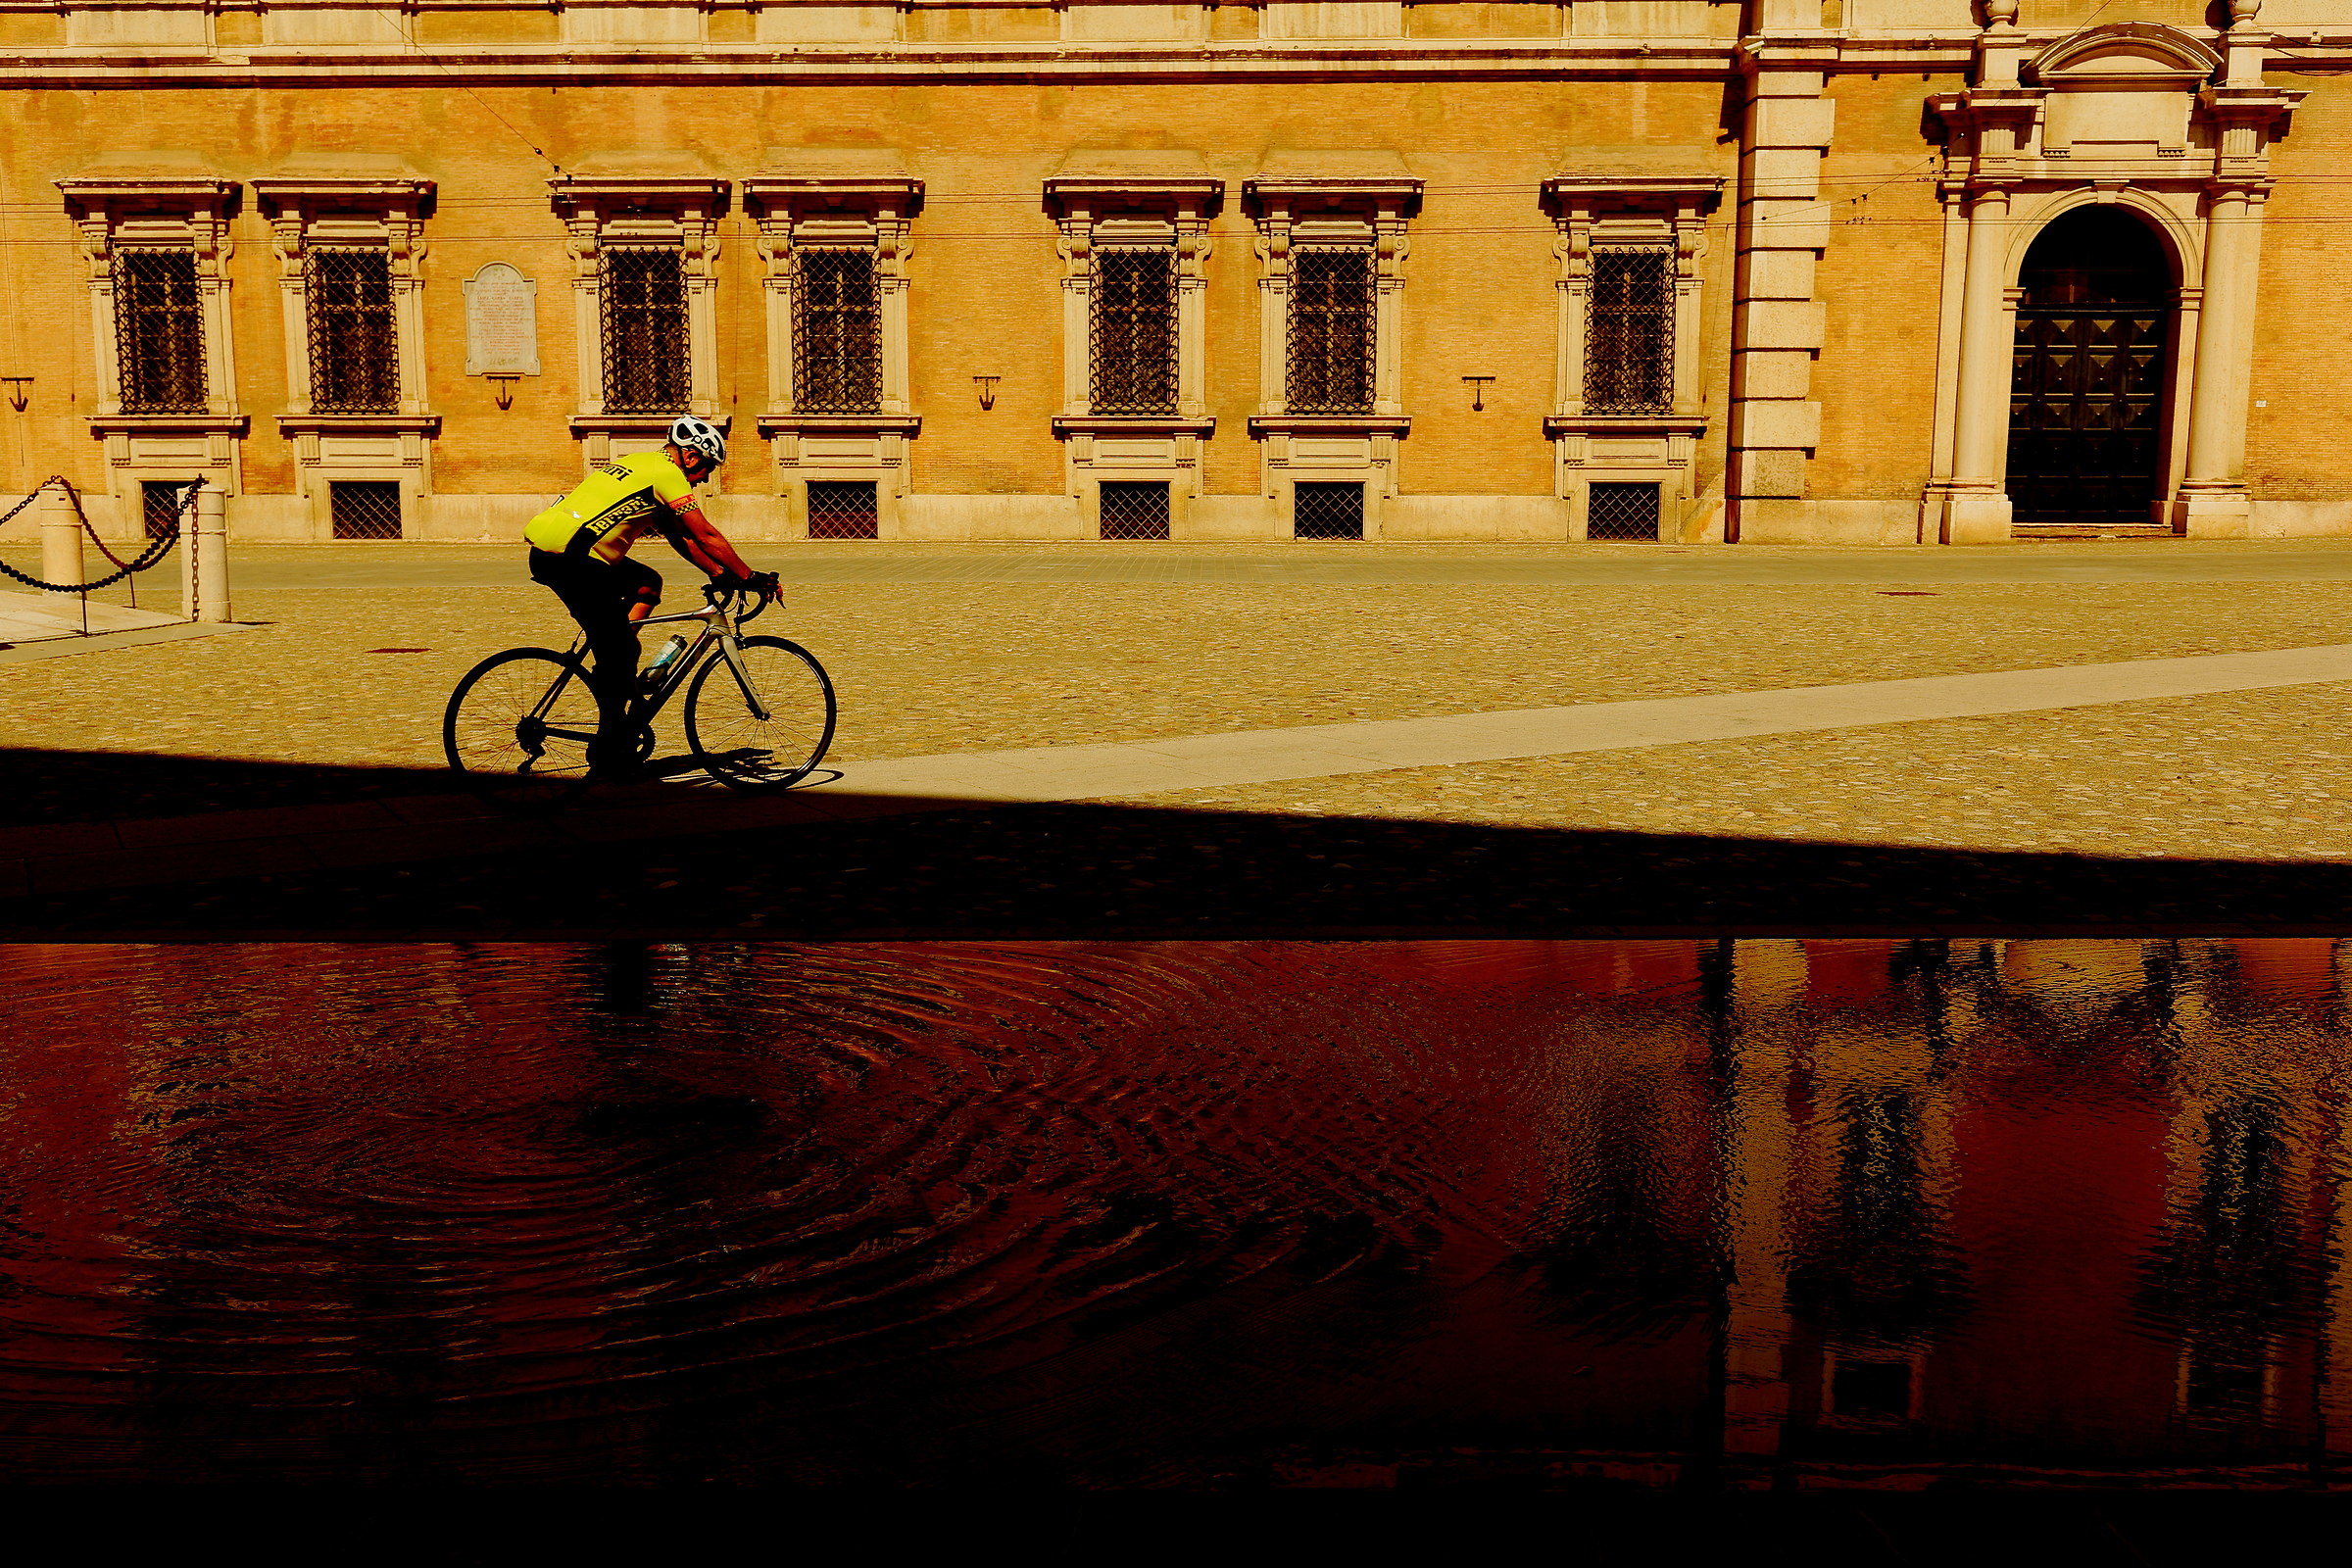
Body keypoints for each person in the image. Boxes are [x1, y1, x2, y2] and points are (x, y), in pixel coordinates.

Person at [523, 416, 779, 778]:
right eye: (706, 467)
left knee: (646, 584)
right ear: (690, 457)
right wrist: (749, 576)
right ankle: (609, 749)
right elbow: (704, 534)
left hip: (555, 551)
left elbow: (681, 537)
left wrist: (719, 573)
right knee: (621, 655)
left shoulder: (638, 463)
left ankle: (614, 659)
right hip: (574, 561)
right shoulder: (668, 475)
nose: (705, 477)